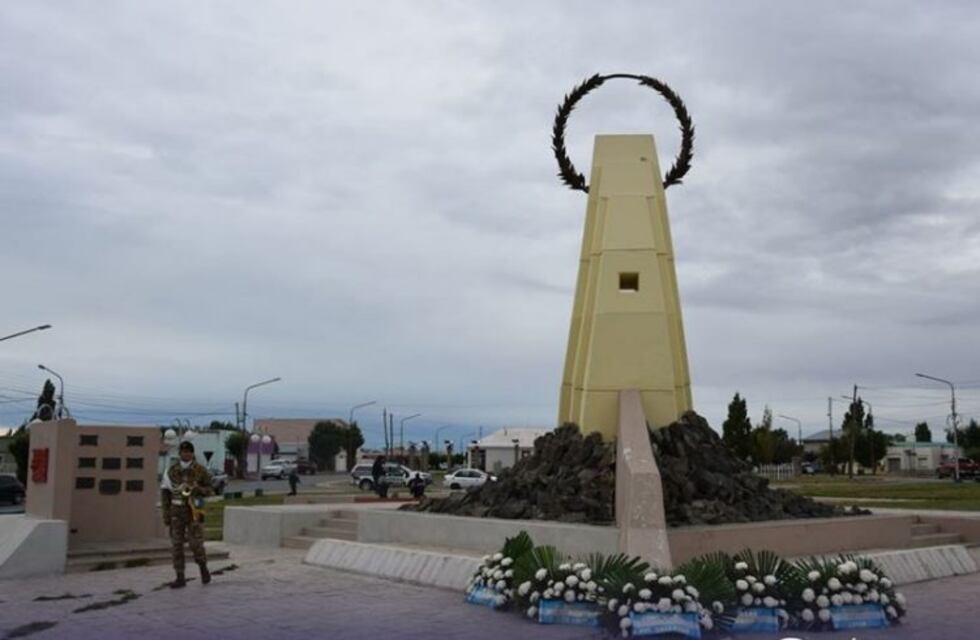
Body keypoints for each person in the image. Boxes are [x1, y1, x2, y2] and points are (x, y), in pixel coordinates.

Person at [161, 440, 213, 588]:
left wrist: (198, 489)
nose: (186, 454)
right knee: (176, 544)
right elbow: (165, 493)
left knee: (195, 543)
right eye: (183, 452)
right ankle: (180, 576)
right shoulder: (171, 470)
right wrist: (166, 514)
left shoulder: (200, 470)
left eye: (189, 452)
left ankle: (203, 568)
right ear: (180, 453)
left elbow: (210, 489)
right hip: (176, 511)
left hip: (194, 511)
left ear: (192, 453)